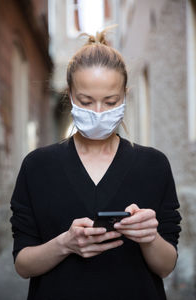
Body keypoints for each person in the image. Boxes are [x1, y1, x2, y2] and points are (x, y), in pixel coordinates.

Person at [10, 26, 182, 300]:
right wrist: (65, 244)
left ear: (124, 95)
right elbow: (23, 264)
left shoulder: (154, 165)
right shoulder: (37, 166)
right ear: (70, 94)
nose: (99, 113)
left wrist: (150, 237)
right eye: (86, 101)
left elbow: (165, 266)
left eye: (111, 101)